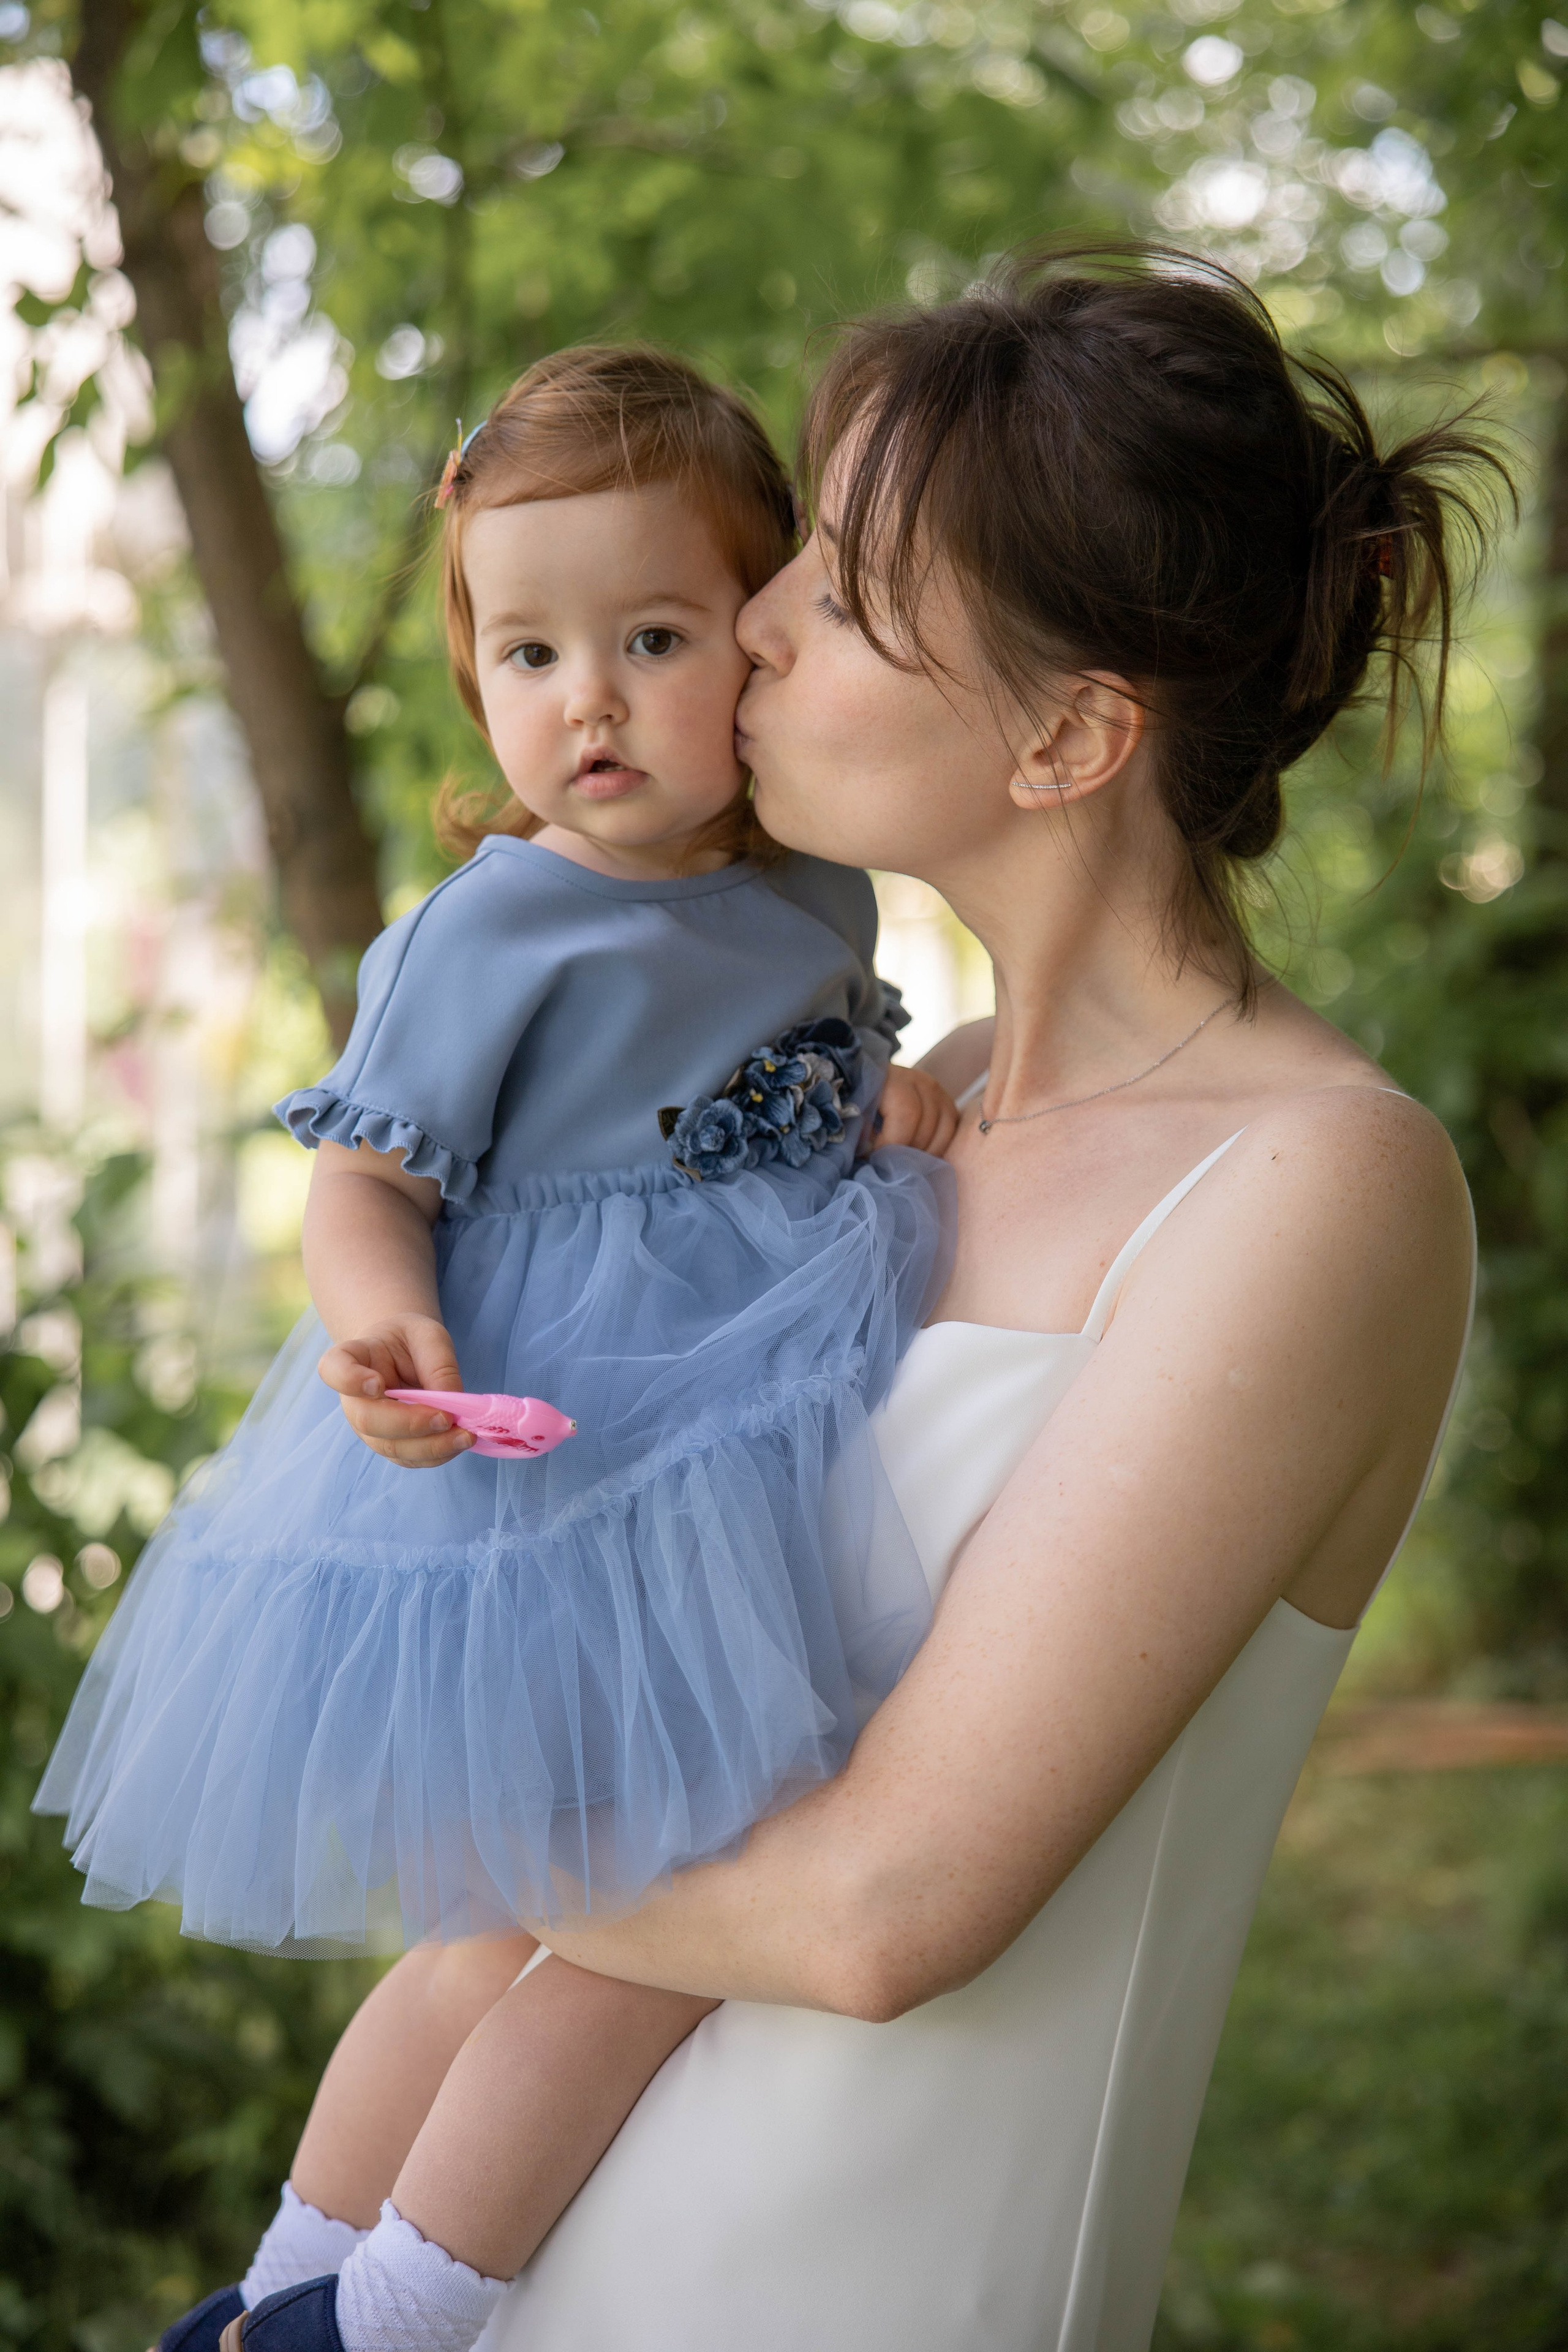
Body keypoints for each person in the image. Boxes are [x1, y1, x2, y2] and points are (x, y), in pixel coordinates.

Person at [449, 247, 1499, 2350]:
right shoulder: (892, 1108)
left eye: (835, 592)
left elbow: (885, 1910)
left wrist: (405, 1808)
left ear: (1073, 735)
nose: (749, 620)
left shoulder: (1315, 1187)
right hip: (514, 2266)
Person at [34, 347, 959, 2352]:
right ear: (478, 678)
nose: (590, 700)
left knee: (562, 1918)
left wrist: (876, 1116)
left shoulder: (819, 883)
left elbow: (806, 1088)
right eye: (529, 653)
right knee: (613, 1928)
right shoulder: (498, 924)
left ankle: (272, 2307)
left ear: (767, 640)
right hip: (556, 1469)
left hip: (729, 1456)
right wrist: (384, 1319)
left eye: (653, 635)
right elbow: (366, 1179)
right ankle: (368, 2312)